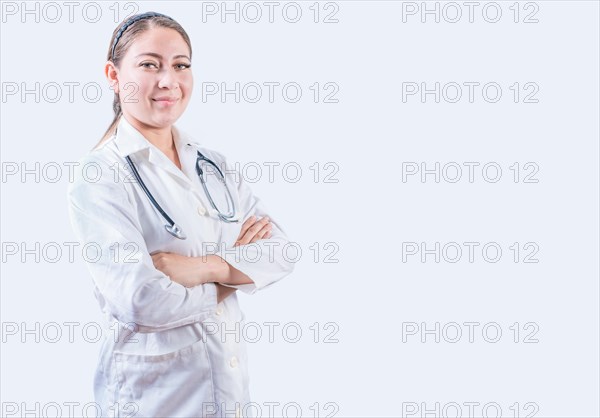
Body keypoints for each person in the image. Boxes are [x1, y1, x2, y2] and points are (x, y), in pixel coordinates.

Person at [67, 11, 295, 417]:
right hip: (152, 400)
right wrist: (234, 278)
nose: (168, 80)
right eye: (149, 64)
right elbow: (141, 299)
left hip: (229, 395)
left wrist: (202, 268)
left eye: (181, 65)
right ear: (114, 75)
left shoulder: (213, 164)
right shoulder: (99, 175)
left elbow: (281, 251)